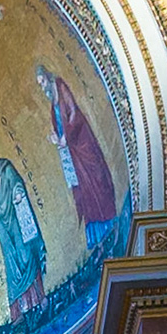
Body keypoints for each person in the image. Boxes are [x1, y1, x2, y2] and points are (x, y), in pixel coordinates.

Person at [36, 66, 120, 250]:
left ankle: (109, 223)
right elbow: (60, 126)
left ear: (47, 77)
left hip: (82, 143)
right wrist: (56, 137)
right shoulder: (52, 103)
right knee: (84, 190)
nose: (42, 87)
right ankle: (96, 238)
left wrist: (66, 136)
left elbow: (74, 112)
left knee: (96, 180)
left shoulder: (60, 87)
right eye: (40, 84)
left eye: (42, 82)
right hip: (73, 153)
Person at [0, 138, 46, 320]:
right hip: (2, 222)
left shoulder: (5, 167)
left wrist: (17, 193)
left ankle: (39, 297)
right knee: (11, 262)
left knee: (25, 254)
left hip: (14, 214)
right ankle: (20, 310)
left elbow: (16, 183)